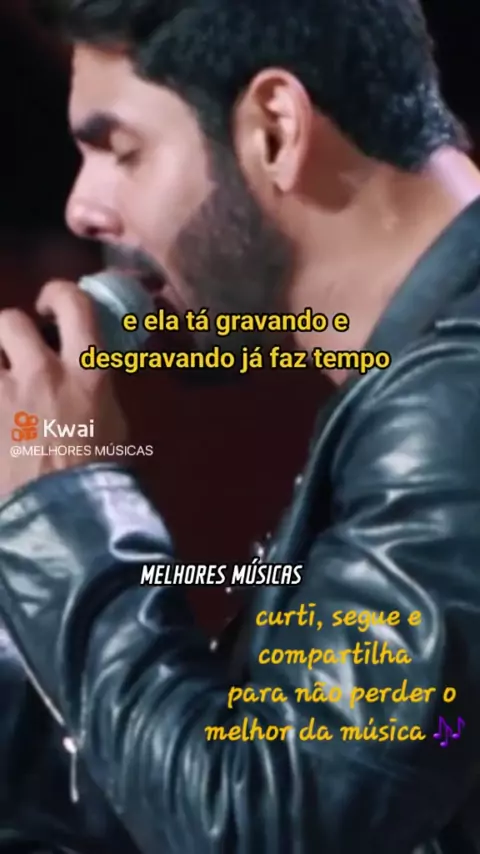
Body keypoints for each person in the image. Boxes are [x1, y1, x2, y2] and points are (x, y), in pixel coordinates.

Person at [1, 0, 480, 852]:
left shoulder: (456, 396)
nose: (81, 208)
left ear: (274, 129)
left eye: (121, 151)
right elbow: (412, 754)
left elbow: (267, 821)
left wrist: (59, 511)